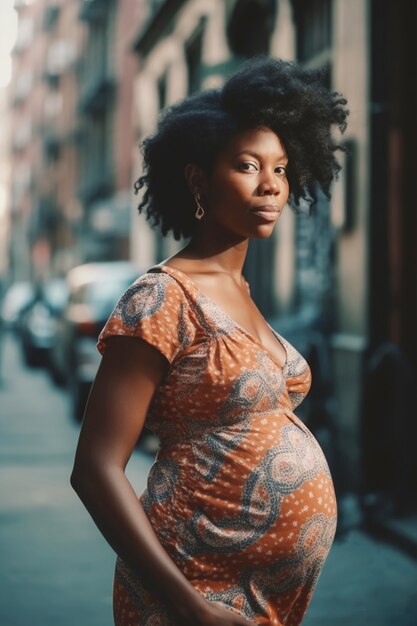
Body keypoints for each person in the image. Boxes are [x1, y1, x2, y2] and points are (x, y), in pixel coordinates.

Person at [71, 57, 348, 626]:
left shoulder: (242, 291)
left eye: (282, 167)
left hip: (266, 600)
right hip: (190, 593)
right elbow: (95, 468)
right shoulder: (160, 298)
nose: (271, 184)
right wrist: (189, 607)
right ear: (198, 179)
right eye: (248, 166)